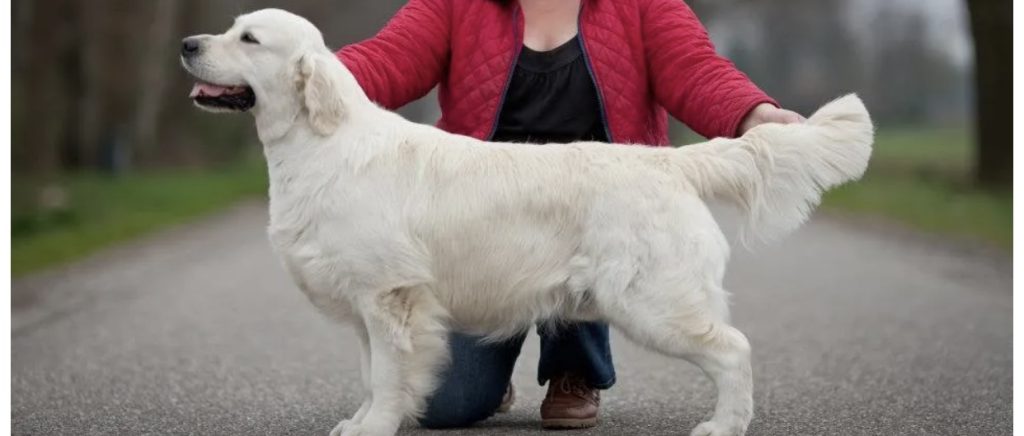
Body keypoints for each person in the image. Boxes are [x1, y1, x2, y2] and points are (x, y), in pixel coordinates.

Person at [336, 0, 803, 430]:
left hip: (597, 214)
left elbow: (695, 69)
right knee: (444, 406)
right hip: (486, 225)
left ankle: (574, 372)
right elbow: (387, 58)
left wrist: (754, 114)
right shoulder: (458, 4)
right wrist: (307, 70)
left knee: (618, 288)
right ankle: (494, 375)